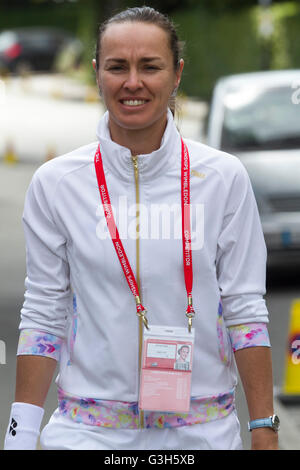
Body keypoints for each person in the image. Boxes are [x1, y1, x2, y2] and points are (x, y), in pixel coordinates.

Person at [4, 6, 279, 451]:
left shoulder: (223, 178)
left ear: (177, 74)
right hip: (86, 432)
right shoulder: (56, 184)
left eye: (150, 66)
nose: (133, 82)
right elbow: (43, 312)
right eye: (117, 67)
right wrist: (20, 433)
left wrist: (264, 424)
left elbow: (245, 307)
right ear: (97, 74)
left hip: (202, 432)